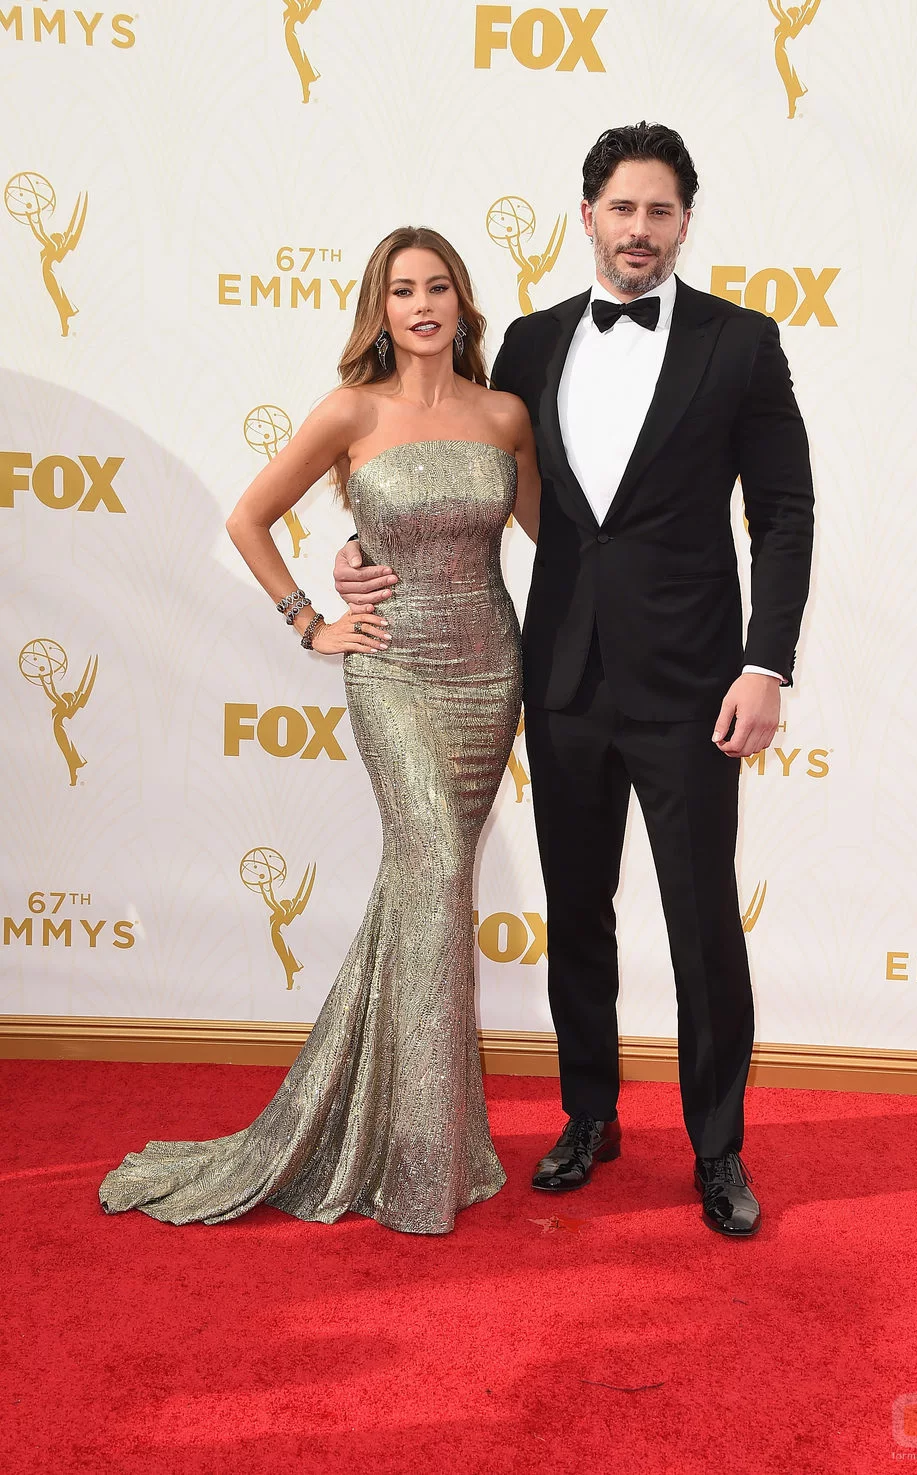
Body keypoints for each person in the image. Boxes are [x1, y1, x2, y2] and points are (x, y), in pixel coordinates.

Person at [334, 124, 815, 1237]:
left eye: (659, 211)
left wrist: (765, 662)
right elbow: (460, 475)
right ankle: (588, 1113)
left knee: (702, 919)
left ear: (684, 221)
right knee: (576, 908)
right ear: (587, 215)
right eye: (621, 208)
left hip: (696, 681)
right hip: (557, 674)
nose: (639, 230)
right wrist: (365, 549)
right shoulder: (532, 343)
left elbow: (783, 514)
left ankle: (717, 1145)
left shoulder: (740, 343)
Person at [98, 227, 540, 1235]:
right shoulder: (351, 409)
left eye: (437, 287)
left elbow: (555, 535)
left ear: (462, 303)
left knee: (427, 892)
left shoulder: (504, 414)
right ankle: (414, 1160)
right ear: (379, 309)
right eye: (401, 290)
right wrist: (311, 617)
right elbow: (248, 517)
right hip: (391, 668)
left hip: (487, 671)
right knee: (433, 874)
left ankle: (424, 1137)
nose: (421, 305)